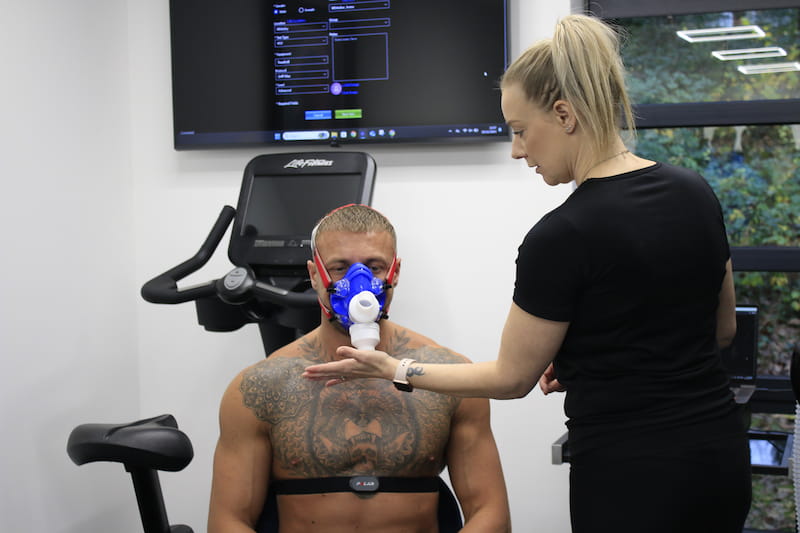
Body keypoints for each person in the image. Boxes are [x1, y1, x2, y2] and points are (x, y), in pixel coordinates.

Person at [303, 14, 752, 533]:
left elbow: (511, 379)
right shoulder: (695, 192)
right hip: (719, 459)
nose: (518, 150)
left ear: (564, 114)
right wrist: (592, 357)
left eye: (520, 131)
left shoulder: (561, 235)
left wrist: (394, 369)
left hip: (633, 478)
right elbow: (721, 330)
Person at [208, 204, 511, 533]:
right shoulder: (261, 387)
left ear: (394, 272)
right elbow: (228, 522)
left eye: (374, 267)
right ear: (314, 275)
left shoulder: (448, 377)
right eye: (339, 268)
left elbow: (490, 513)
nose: (359, 283)